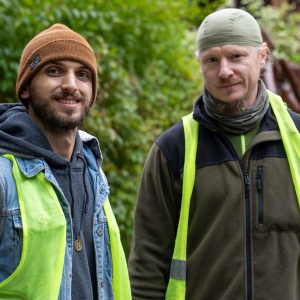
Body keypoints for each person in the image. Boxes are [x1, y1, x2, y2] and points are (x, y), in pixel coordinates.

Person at [128, 8, 300, 300]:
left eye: (236, 56)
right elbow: (147, 263)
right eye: (211, 60)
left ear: (261, 58)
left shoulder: (297, 138)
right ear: (201, 65)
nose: (224, 71)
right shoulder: (173, 149)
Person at [0, 24, 131, 300]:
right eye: (54, 71)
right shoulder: (3, 176)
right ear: (25, 88)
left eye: (82, 75)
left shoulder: (94, 171)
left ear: (92, 93)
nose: (71, 84)